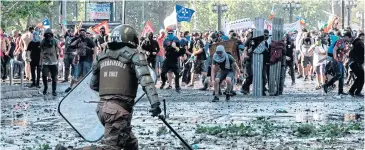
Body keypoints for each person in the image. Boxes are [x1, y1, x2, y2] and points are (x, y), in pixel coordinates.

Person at [57, 24, 162, 150]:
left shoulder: (102, 56)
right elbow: (147, 81)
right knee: (110, 148)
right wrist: (155, 104)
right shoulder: (135, 55)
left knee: (131, 143)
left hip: (102, 109)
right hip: (118, 112)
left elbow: (93, 85)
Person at [40, 28, 62, 96]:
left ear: (52, 35)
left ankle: (54, 90)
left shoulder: (55, 41)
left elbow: (59, 48)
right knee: (44, 76)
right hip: (45, 61)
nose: (48, 36)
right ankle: (45, 88)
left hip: (53, 61)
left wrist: (59, 55)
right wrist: (41, 61)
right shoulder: (43, 41)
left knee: (54, 77)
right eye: (47, 35)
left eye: (50, 35)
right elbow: (41, 51)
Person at [348, 32, 364, 97]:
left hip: (354, 63)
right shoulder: (359, 43)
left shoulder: (357, 43)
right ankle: (355, 92)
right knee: (362, 77)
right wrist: (358, 62)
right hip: (355, 63)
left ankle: (353, 91)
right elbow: (359, 54)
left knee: (361, 77)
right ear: (360, 36)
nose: (363, 38)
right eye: (362, 36)